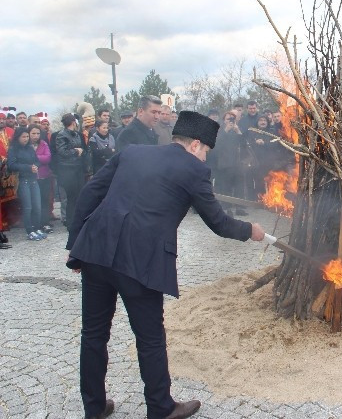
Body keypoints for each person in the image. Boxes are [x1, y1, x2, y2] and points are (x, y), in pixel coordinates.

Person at [65, 111, 266, 419]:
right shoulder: (194, 170)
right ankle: (160, 408)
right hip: (140, 261)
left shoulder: (133, 152)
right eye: (205, 151)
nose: (204, 158)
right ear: (196, 144)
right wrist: (250, 230)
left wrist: (75, 245)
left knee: (93, 334)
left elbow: (91, 192)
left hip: (96, 250)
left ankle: (94, 408)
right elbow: (218, 223)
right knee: (150, 339)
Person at [7, 127, 45, 240]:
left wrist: (36, 166)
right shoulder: (13, 149)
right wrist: (28, 167)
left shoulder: (30, 148)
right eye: (23, 137)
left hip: (33, 180)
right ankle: (29, 231)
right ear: (18, 137)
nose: (26, 139)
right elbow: (11, 165)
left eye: (27, 136)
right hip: (22, 180)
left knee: (37, 206)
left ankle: (37, 228)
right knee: (27, 207)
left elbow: (37, 160)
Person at [55, 114, 86, 230]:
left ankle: (78, 220)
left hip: (78, 168)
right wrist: (76, 151)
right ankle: (70, 222)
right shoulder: (61, 135)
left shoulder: (77, 134)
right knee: (71, 198)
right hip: (67, 170)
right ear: (73, 122)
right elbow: (62, 152)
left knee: (79, 196)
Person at [29, 124, 54, 233]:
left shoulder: (43, 143)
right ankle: (35, 224)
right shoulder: (25, 145)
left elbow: (48, 158)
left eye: (38, 133)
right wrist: (39, 158)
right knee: (33, 202)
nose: (36, 136)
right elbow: (23, 159)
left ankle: (45, 223)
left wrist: (33, 158)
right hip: (31, 178)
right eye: (33, 133)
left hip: (44, 176)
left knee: (44, 200)